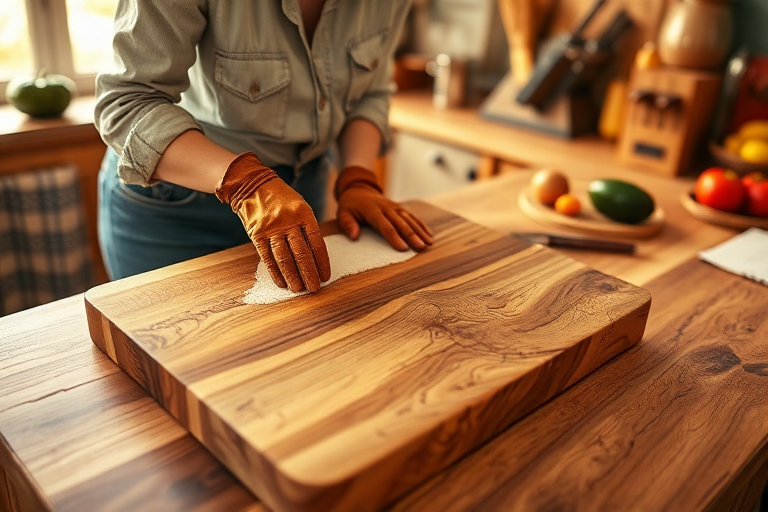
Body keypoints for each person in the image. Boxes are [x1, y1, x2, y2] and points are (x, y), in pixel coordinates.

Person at [94, 0, 433, 293]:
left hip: (296, 200)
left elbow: (370, 92)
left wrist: (358, 177)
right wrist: (246, 182)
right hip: (176, 209)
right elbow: (127, 103)